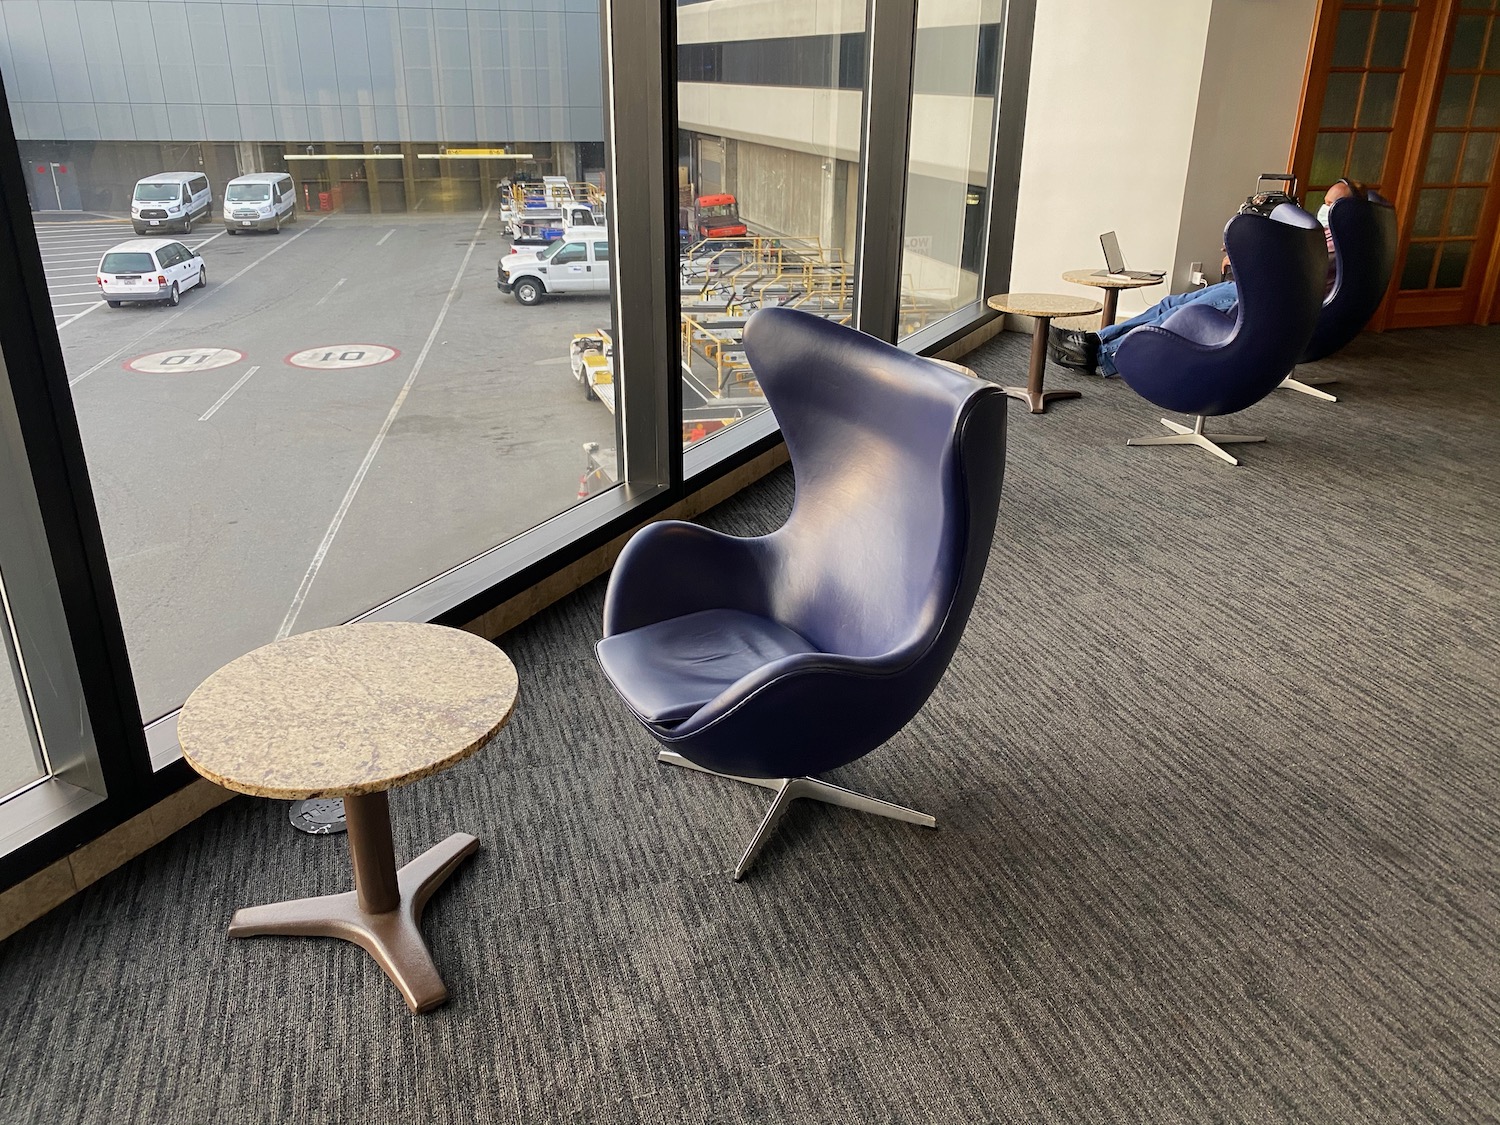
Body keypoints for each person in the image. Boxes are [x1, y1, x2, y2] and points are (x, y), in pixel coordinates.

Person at [1049, 179, 1362, 376]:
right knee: (1173, 302)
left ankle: (1102, 356)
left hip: (1263, 300)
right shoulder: (1324, 235)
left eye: (1333, 204)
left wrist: (1244, 260)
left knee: (1179, 317)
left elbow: (1293, 273)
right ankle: (1096, 339)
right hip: (1254, 288)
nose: (1325, 208)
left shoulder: (1336, 244)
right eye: (1325, 201)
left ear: (1347, 210)